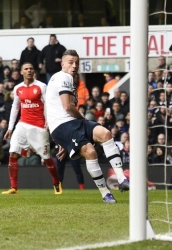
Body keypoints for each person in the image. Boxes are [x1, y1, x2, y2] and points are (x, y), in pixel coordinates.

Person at [45, 50, 129, 203]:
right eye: (70, 62)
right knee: (90, 151)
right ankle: (105, 193)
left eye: (77, 62)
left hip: (68, 124)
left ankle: (122, 178)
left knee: (105, 134)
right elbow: (67, 107)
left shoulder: (61, 79)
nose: (74, 65)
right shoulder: (64, 77)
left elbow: (51, 106)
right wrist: (65, 133)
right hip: (64, 124)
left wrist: (62, 140)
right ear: (62, 63)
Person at [2, 62, 62, 195]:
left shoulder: (41, 86)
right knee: (13, 153)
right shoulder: (18, 88)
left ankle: (56, 182)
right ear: (21, 72)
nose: (29, 71)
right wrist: (11, 127)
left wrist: (48, 120)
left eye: (31, 68)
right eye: (26, 69)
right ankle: (14, 187)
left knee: (46, 157)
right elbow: (15, 107)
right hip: (22, 124)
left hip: (39, 126)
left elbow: (48, 104)